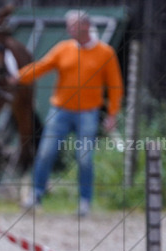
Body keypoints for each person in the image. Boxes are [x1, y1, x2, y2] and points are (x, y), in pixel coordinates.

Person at [13, 10, 123, 216]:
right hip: (60, 111)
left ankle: (84, 202)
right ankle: (36, 195)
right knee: (46, 153)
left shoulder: (105, 53)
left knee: (84, 158)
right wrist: (18, 77)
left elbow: (115, 86)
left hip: (88, 114)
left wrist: (112, 114)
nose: (68, 29)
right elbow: (41, 67)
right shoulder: (63, 49)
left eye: (72, 26)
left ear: (85, 26)